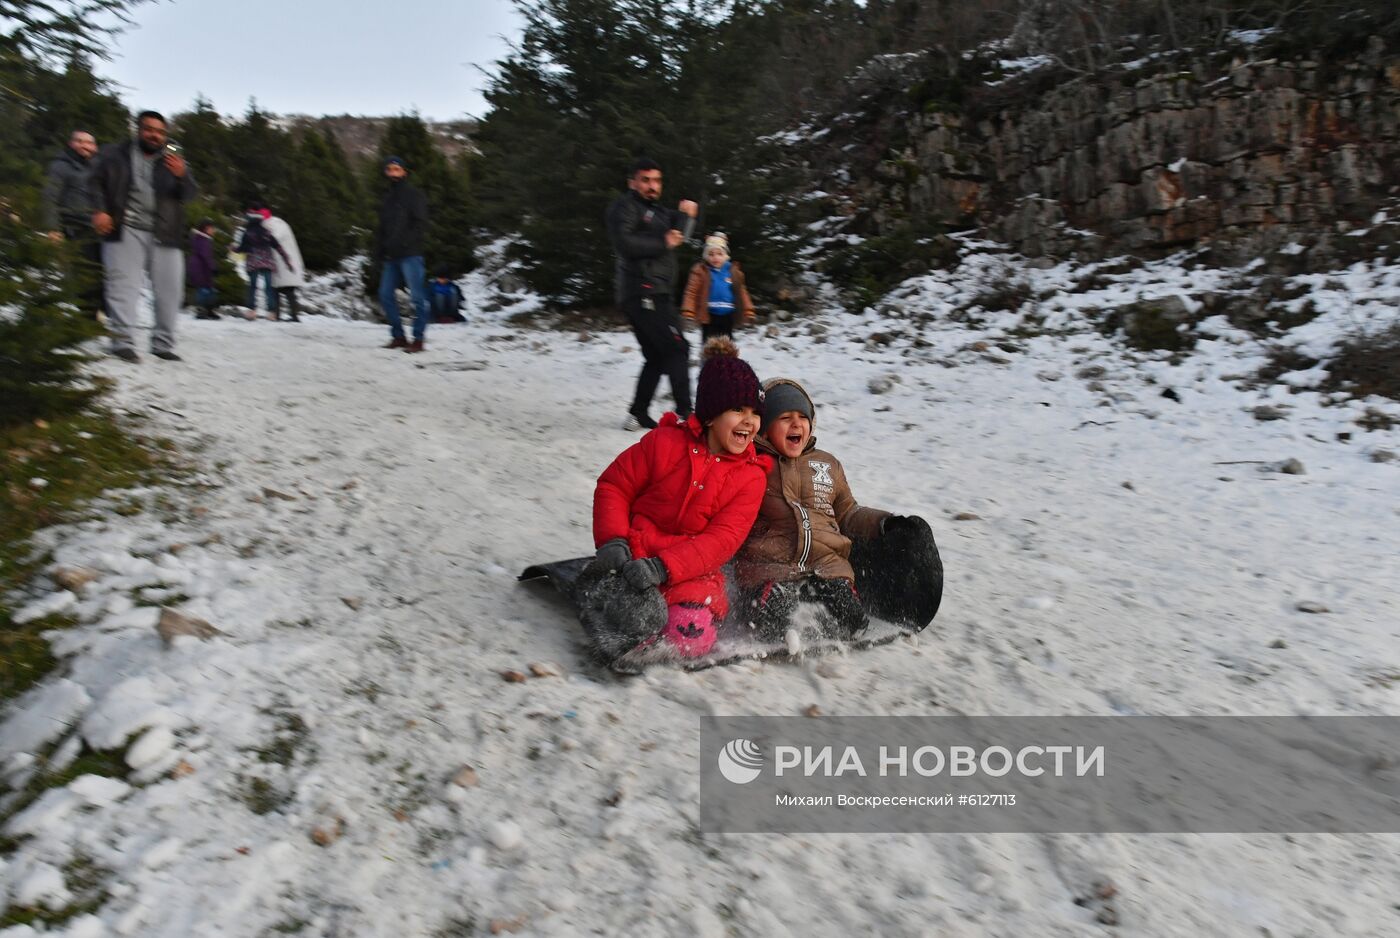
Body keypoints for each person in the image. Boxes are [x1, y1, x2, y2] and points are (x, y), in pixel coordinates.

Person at [579, 338, 770, 663]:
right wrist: (612, 540)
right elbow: (615, 485)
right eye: (738, 409)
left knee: (689, 640)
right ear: (710, 415)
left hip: (693, 572)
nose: (750, 421)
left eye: (755, 412)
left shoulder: (751, 478)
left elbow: (722, 540)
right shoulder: (663, 443)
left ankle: (643, 618)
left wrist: (665, 568)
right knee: (639, 616)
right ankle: (611, 595)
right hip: (635, 552)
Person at [733, 377, 939, 639]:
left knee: (848, 613)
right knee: (772, 615)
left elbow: (848, 512)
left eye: (802, 417)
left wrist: (885, 523)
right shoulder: (751, 465)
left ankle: (821, 609)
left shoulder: (828, 465)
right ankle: (774, 613)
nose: (796, 423)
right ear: (764, 429)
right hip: (769, 568)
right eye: (785, 417)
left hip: (827, 566)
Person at [89, 110, 197, 362]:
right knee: (122, 286)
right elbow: (93, 182)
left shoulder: (173, 161)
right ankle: (121, 342)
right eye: (149, 129)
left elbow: (190, 195)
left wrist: (182, 176)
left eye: (160, 132)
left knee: (171, 292)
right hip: (125, 228)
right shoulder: (115, 154)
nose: (154, 135)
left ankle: (163, 344)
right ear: (138, 129)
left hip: (165, 232)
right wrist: (100, 210)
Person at [605, 157, 698, 430]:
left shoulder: (658, 212)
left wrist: (688, 215)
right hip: (644, 290)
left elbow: (682, 236)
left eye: (656, 180)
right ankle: (686, 414)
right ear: (632, 182)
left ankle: (638, 413)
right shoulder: (625, 207)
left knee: (657, 356)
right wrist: (662, 240)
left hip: (655, 291)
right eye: (645, 180)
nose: (651, 186)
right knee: (678, 348)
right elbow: (624, 243)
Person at [41, 129, 105, 319]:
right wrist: (53, 228)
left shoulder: (98, 166)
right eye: (79, 141)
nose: (84, 146)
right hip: (75, 227)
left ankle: (97, 311)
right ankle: (88, 316)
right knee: (84, 274)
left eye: (89, 142)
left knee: (103, 272)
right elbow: (49, 196)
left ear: (95, 147)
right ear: (71, 143)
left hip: (100, 228)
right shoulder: (61, 167)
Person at [374, 156, 430, 353]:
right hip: (391, 256)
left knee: (417, 298)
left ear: (404, 172)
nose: (393, 173)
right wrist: (379, 250)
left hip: (410, 254)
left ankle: (418, 339)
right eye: (390, 169)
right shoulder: (387, 198)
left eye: (397, 169)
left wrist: (406, 242)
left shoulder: (414, 195)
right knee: (385, 295)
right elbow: (381, 227)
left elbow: (420, 223)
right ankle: (398, 336)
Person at [681, 232, 755, 341]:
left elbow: (742, 292)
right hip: (709, 315)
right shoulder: (701, 271)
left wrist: (748, 309)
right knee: (709, 343)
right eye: (711, 254)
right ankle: (708, 357)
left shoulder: (733, 272)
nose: (715, 257)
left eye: (719, 254)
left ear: (726, 255)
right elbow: (691, 291)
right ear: (706, 256)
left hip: (728, 315)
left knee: (726, 343)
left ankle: (726, 358)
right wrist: (688, 310)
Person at [235, 206, 288, 319]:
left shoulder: (248, 233)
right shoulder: (266, 232)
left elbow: (243, 248)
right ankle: (272, 312)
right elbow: (277, 245)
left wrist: (234, 249)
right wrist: (286, 258)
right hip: (267, 262)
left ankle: (252, 311)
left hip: (253, 262)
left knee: (253, 286)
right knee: (268, 287)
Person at [264, 207, 305, 322]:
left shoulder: (277, 224)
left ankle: (294, 316)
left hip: (286, 263)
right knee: (276, 290)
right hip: (280, 263)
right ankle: (278, 315)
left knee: (288, 290)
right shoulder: (275, 224)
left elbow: (274, 239)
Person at [188, 219, 219, 319]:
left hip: (202, 268)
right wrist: (213, 267)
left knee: (209, 289)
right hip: (201, 268)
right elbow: (206, 256)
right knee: (203, 289)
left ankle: (209, 310)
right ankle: (202, 310)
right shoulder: (203, 240)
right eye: (212, 228)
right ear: (206, 229)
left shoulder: (202, 239)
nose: (214, 230)